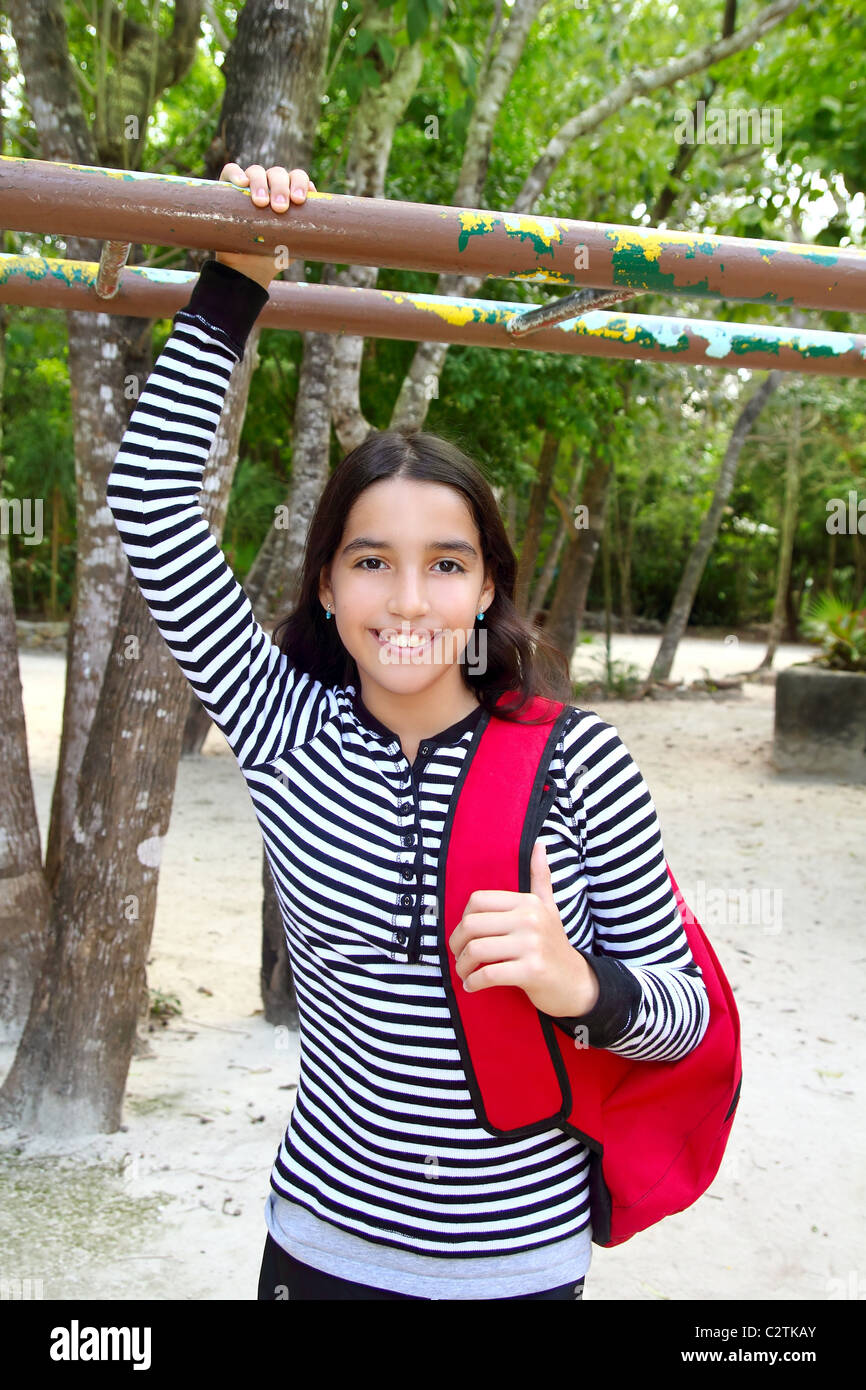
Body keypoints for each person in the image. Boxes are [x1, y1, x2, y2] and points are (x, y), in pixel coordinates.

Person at [105, 162, 710, 1302]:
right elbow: (148, 495)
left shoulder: (577, 758)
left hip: (518, 1264)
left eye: (446, 565)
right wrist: (239, 267)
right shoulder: (280, 722)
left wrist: (575, 982)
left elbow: (676, 1018)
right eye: (370, 561)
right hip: (324, 1246)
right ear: (328, 586)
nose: (408, 600)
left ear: (486, 590)